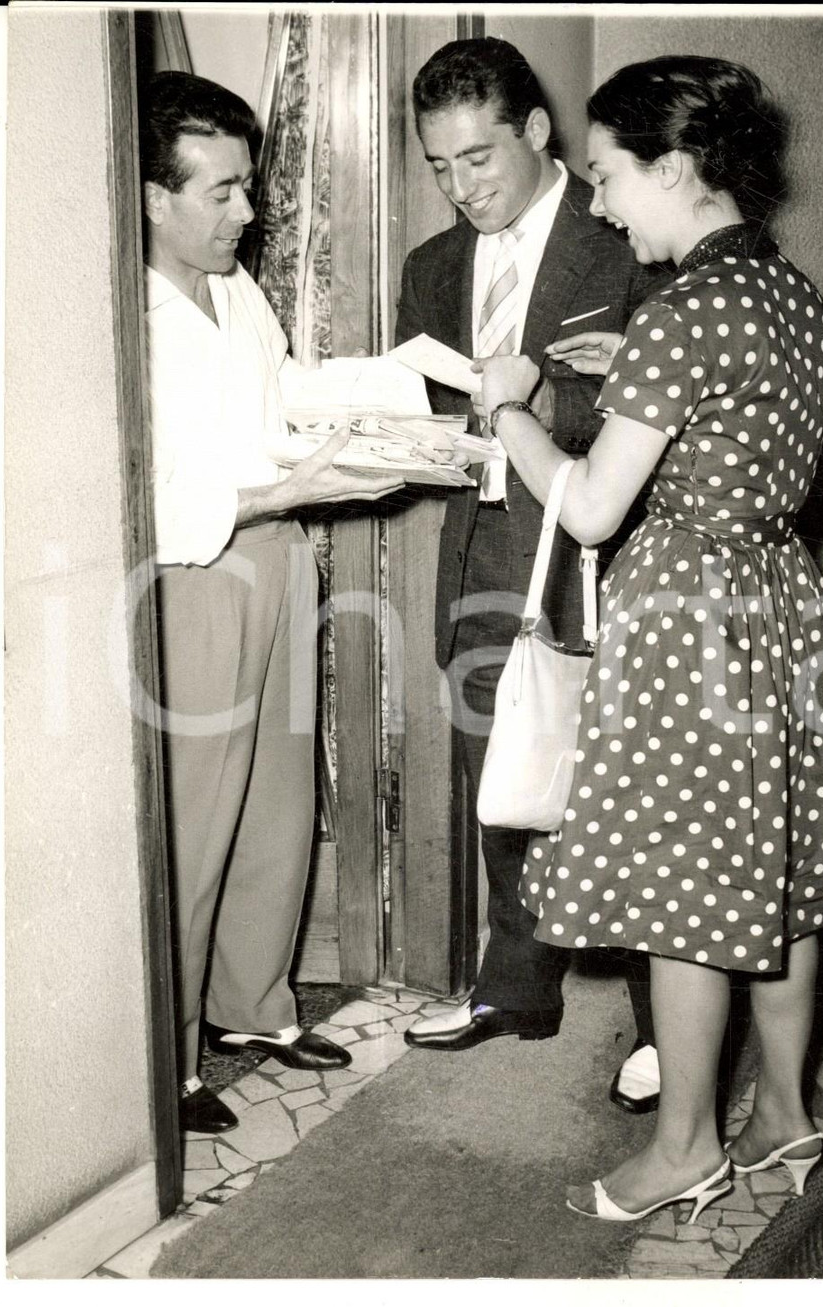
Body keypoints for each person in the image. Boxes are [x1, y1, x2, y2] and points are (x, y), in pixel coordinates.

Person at [476, 55, 823, 1222]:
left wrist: (507, 407)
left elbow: (588, 503)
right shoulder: (791, 295)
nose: (597, 203)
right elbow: (723, 417)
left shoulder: (685, 309)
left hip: (688, 614)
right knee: (775, 865)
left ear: (676, 169)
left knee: (687, 884)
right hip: (779, 603)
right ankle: (786, 1114)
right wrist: (628, 371)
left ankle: (686, 1141)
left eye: (607, 177)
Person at [396, 37, 662, 1111]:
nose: (461, 190)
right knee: (498, 784)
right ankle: (517, 982)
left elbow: (659, 416)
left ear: (538, 134)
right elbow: (430, 429)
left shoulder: (628, 252)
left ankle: (659, 1023)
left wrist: (535, 398)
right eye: (440, 168)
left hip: (603, 559)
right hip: (482, 555)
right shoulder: (428, 269)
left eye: (478, 161)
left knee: (620, 798)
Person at [140, 71, 404, 1135]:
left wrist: (392, 407)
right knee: (194, 816)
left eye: (248, 189)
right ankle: (161, 1054)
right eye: (222, 192)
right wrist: (269, 491)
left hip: (285, 551)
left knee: (275, 798)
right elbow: (139, 482)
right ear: (154, 197)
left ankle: (251, 1004)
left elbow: (284, 391)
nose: (247, 214)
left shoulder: (237, 290)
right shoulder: (121, 314)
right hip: (199, 567)